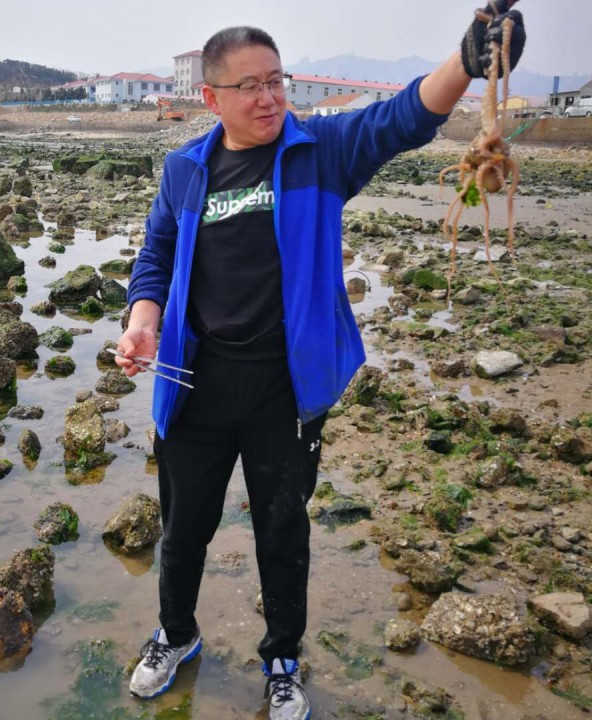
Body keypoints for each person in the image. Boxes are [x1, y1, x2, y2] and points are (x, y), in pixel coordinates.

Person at [116, 5, 525, 719]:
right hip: (194, 382)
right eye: (249, 86)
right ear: (211, 98)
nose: (269, 97)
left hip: (286, 388)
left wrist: (466, 61)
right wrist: (143, 321)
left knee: (282, 531)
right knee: (182, 531)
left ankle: (281, 659)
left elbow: (401, 118)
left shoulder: (319, 151)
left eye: (276, 80)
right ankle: (176, 635)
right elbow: (155, 255)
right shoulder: (184, 170)